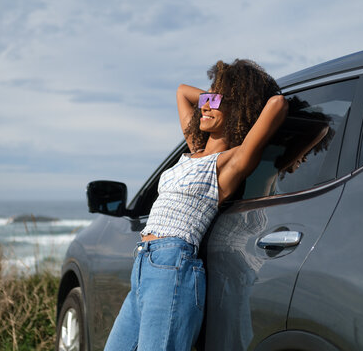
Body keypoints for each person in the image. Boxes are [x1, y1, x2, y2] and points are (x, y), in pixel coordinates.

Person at [104, 59, 288, 351]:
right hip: (144, 266)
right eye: (207, 98)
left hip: (173, 265)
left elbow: (277, 104)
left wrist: (237, 98)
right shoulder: (195, 150)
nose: (204, 105)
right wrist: (217, 98)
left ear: (238, 107)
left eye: (216, 100)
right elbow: (181, 92)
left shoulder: (230, 163)